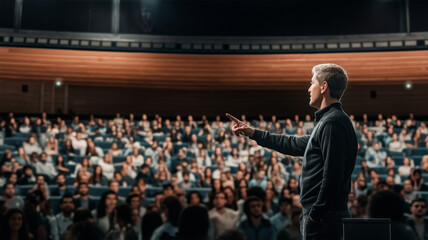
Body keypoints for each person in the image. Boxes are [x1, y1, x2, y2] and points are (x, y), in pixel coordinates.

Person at [228, 63, 358, 240]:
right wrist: (253, 133)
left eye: (312, 83)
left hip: (324, 217)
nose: (308, 89)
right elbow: (293, 144)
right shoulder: (328, 121)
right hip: (322, 215)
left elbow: (333, 174)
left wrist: (316, 212)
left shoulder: (332, 123)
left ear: (323, 86)